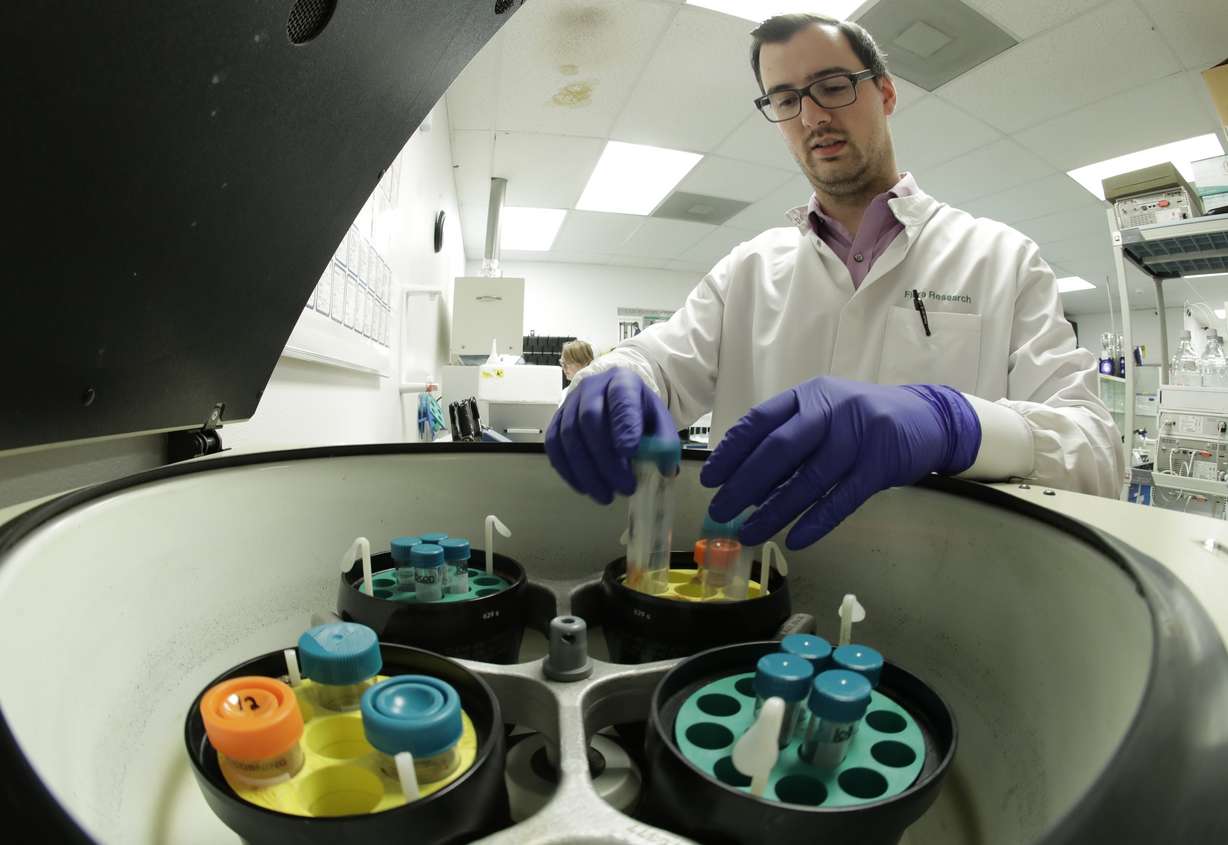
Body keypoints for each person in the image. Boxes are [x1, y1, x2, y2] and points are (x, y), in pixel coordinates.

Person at [546, 13, 1121, 550]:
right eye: (786, 99)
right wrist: (611, 376)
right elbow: (659, 367)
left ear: (886, 92)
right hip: (755, 600)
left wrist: (956, 424)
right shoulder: (748, 269)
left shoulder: (1003, 259)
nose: (812, 116)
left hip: (943, 606)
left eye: (833, 85)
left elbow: (1096, 454)